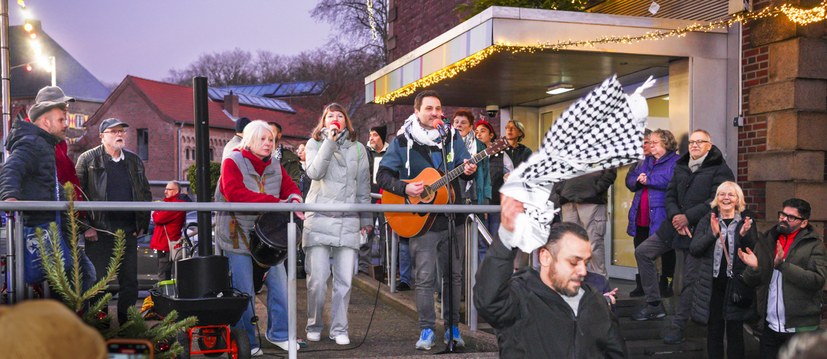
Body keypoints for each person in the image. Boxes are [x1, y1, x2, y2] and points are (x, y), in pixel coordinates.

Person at [377, 90, 477, 350]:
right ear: (417, 111)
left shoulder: (452, 137)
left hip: (452, 219)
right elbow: (383, 176)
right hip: (420, 221)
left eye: (438, 108)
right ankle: (427, 330)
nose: (435, 113)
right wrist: (405, 189)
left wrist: (469, 170)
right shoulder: (402, 141)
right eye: (429, 108)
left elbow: (464, 170)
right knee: (424, 278)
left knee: (454, 277)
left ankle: (452, 328)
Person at [474, 196, 627, 358]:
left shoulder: (595, 302)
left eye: (586, 262)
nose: (583, 270)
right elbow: (488, 300)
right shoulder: (520, 298)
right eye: (573, 262)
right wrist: (506, 238)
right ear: (545, 257)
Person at [633, 129, 734, 346]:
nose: (694, 145)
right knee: (643, 252)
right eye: (692, 142)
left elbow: (717, 201)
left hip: (700, 229)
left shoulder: (720, 169)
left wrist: (688, 218)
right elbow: (670, 194)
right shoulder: (682, 165)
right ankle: (654, 304)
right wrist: (676, 217)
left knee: (690, 280)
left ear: (709, 145)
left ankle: (678, 325)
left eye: (700, 142)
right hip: (674, 224)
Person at [214, 120, 305, 356]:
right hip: (237, 235)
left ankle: (280, 333)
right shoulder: (232, 161)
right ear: (249, 140)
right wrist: (275, 202)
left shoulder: (274, 164)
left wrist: (295, 198)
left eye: (271, 140)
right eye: (263, 139)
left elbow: (289, 186)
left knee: (280, 286)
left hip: (268, 237)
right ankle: (246, 341)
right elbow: (234, 193)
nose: (268, 143)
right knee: (243, 291)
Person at [302, 103, 372, 346]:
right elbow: (314, 172)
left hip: (348, 220)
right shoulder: (314, 143)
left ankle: (340, 328)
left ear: (346, 121)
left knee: (344, 282)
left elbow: (363, 187)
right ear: (323, 121)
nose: (335, 118)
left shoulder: (358, 149)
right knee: (317, 280)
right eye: (330, 115)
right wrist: (329, 143)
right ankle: (314, 324)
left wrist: (366, 219)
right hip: (319, 218)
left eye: (340, 115)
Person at [76, 118, 152, 325]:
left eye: (121, 131)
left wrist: (142, 223)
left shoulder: (134, 161)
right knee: (99, 282)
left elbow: (144, 192)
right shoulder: (88, 159)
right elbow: (76, 194)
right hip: (99, 232)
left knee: (130, 282)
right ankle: (100, 325)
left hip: (128, 231)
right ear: (102, 136)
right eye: (114, 131)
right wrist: (86, 226)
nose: (119, 134)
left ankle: (127, 325)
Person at [0, 86, 75, 287]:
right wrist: (10, 198)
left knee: (73, 275)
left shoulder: (44, 144)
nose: (66, 125)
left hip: (49, 224)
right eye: (61, 120)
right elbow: (11, 169)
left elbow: (43, 179)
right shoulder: (32, 143)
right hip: (41, 226)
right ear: (46, 122)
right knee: (78, 277)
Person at [737, 198, 827, 359]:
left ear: (804, 223)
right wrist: (754, 267)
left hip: (800, 328)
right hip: (769, 326)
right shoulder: (766, 241)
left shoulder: (814, 245)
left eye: (791, 217)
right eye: (782, 214)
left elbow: (817, 280)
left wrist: (783, 266)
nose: (784, 219)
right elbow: (751, 281)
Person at [689, 181, 758, 359]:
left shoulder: (746, 221)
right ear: (716, 198)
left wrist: (743, 235)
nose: (726, 198)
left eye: (731, 195)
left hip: (735, 284)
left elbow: (753, 252)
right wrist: (712, 233)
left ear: (738, 199)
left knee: (735, 330)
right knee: (714, 329)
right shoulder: (707, 219)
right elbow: (694, 249)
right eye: (722, 194)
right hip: (712, 284)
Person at [625, 129, 679, 297]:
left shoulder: (676, 161)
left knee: (666, 250)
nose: (651, 145)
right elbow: (630, 179)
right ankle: (644, 285)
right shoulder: (645, 161)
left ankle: (665, 284)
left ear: (666, 143)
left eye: (655, 142)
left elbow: (672, 181)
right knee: (640, 249)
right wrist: (637, 180)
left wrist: (649, 180)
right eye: (650, 142)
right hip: (640, 213)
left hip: (661, 213)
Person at [554, 168, 616, 277]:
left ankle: (599, 282)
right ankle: (573, 281)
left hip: (592, 199)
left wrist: (596, 189)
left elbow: (611, 169)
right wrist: (561, 189)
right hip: (568, 198)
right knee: (570, 244)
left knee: (593, 243)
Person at [502, 119, 533, 269]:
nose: (509, 130)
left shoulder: (526, 152)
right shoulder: (499, 150)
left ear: (520, 133)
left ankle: (520, 269)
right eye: (507, 128)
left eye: (513, 128)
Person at [474, 118, 501, 260]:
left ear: (491, 135)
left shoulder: (501, 155)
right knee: (480, 242)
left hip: (495, 203)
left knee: (494, 241)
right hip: (479, 203)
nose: (478, 134)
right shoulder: (472, 152)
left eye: (482, 131)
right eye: (476, 132)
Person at [150, 181, 187, 280]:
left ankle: (165, 290)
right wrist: (158, 212)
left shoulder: (176, 205)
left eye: (169, 189)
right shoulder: (169, 204)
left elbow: (158, 218)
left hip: (166, 245)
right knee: (163, 273)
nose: (165, 191)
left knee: (163, 274)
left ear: (176, 191)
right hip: (163, 245)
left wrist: (157, 212)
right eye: (165, 189)